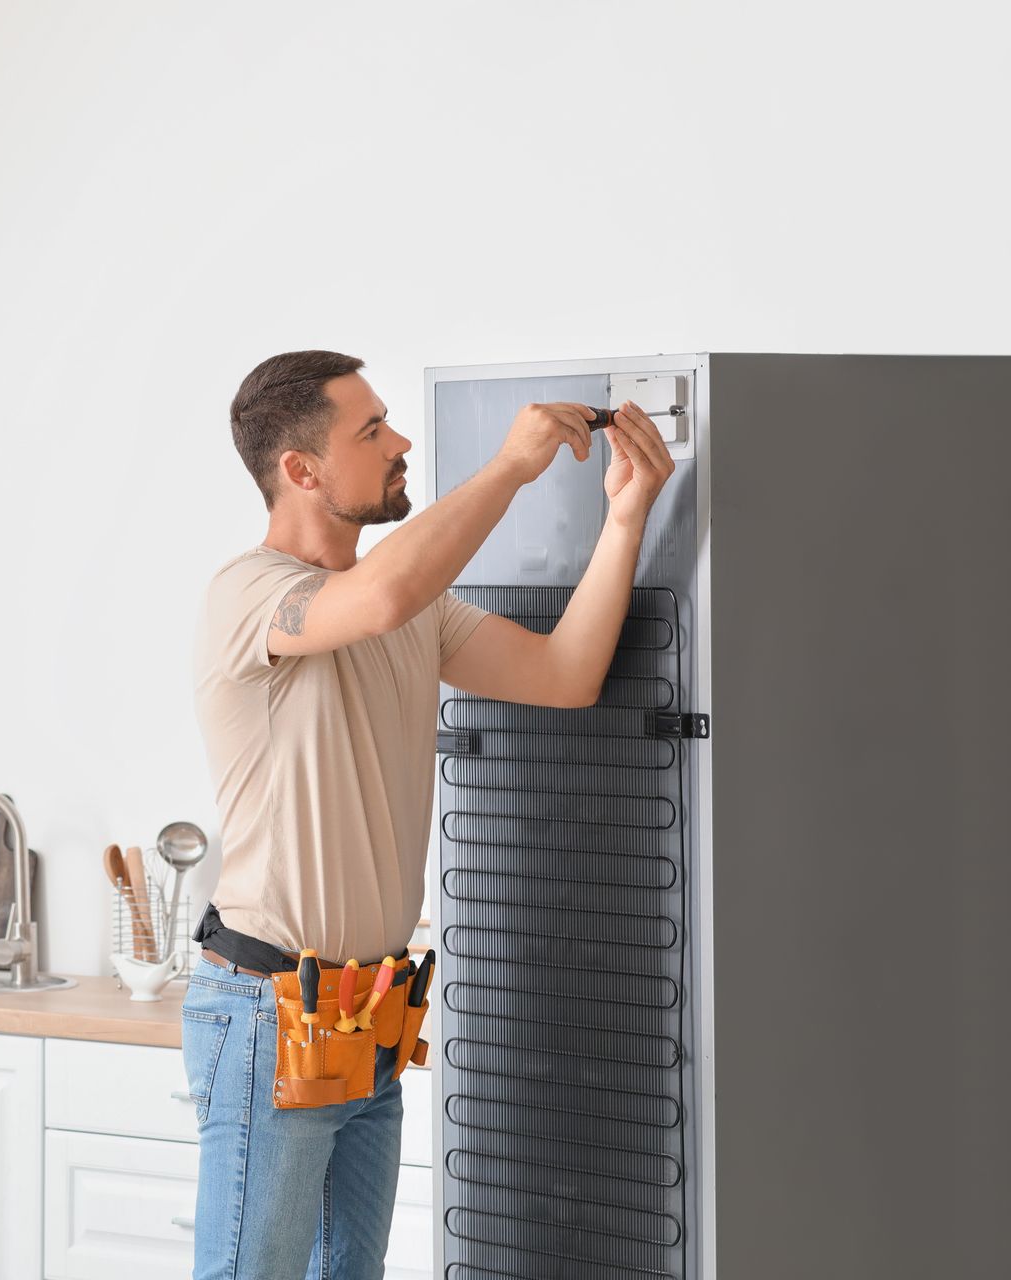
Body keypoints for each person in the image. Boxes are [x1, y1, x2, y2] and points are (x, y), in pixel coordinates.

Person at [184, 349, 674, 1279]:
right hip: (269, 1012)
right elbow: (375, 597)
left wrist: (624, 520)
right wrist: (510, 468)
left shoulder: (414, 613)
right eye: (371, 432)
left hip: (363, 1017)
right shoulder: (249, 596)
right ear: (302, 471)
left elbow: (565, 676)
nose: (402, 443)